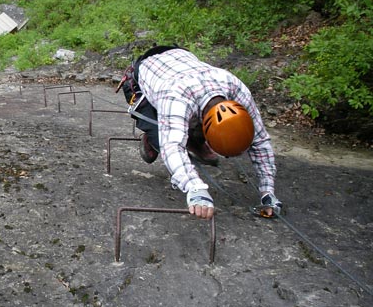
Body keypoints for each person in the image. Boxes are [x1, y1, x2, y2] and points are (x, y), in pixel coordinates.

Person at [121, 45, 282, 220]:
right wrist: (195, 188)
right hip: (147, 72)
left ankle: (193, 140)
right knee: (163, 138)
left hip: (181, 57)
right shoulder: (175, 97)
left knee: (186, 126)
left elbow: (260, 141)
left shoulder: (236, 89)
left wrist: (268, 192)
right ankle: (151, 138)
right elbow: (172, 146)